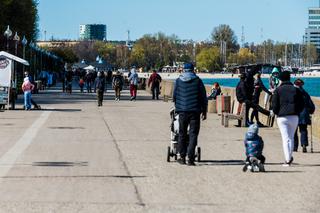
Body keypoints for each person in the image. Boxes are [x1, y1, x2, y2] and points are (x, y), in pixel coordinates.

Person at [173, 63, 208, 166]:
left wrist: (178, 106)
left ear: (184, 70)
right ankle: (191, 159)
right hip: (195, 111)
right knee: (193, 135)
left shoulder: (178, 81)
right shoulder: (198, 81)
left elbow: (174, 96)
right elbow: (203, 98)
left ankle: (182, 157)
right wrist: (204, 111)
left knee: (182, 133)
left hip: (182, 111)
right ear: (193, 70)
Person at [271, 71, 304, 166]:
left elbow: (274, 105)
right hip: (294, 116)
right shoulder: (296, 89)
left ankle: (287, 159)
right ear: (289, 78)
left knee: (285, 139)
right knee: (291, 137)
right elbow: (301, 104)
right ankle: (289, 157)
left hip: (282, 117)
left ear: (281, 79)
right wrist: (297, 112)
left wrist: (277, 113)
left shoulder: (278, 90)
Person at [293, 79, 315, 153]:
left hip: (294, 114)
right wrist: (311, 111)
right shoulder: (305, 93)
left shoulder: (292, 92)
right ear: (302, 85)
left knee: (294, 131)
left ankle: (295, 147)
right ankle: (304, 145)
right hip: (304, 114)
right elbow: (311, 105)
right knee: (303, 130)